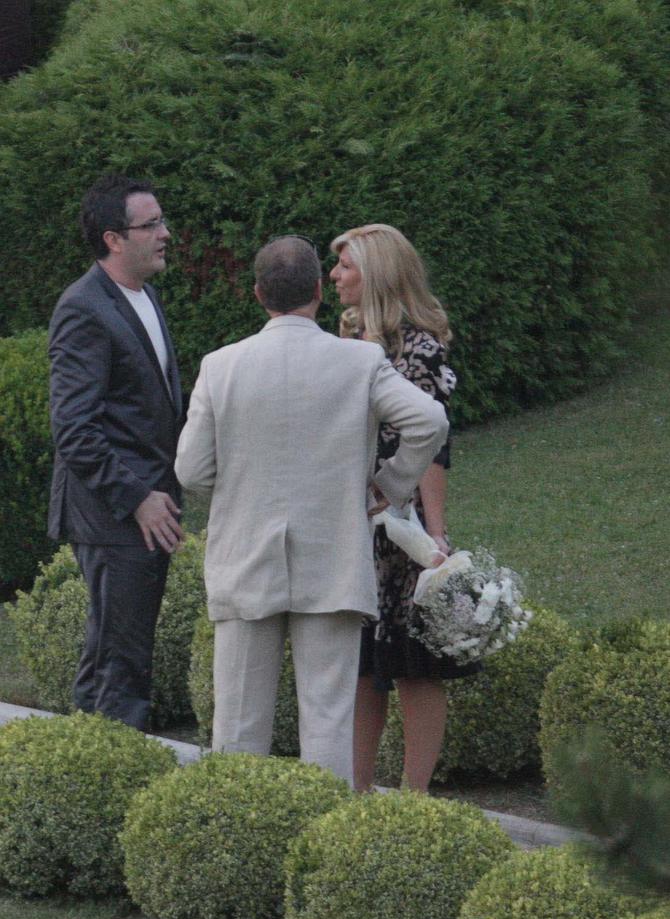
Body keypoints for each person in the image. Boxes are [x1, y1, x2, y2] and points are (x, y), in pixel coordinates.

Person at [175, 235, 448, 785]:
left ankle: (242, 827)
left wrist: (240, 492)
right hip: (332, 559)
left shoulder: (221, 365)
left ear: (258, 294)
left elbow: (190, 470)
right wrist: (390, 485)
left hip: (244, 557)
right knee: (328, 721)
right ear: (319, 291)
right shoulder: (359, 361)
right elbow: (430, 421)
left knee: (237, 729)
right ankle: (325, 834)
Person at [330, 223, 478, 793]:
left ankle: (413, 800)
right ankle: (357, 794)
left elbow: (435, 445)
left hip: (401, 527)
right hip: (352, 525)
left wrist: (434, 539)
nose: (334, 276)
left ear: (377, 274)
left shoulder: (420, 347)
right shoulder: (345, 339)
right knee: (361, 668)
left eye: (345, 265)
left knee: (415, 667)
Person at [48, 173, 184, 731]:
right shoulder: (83, 308)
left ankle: (84, 762)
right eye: (151, 225)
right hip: (114, 515)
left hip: (144, 508)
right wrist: (138, 499)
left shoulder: (144, 295)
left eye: (161, 221)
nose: (165, 233)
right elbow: (74, 428)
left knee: (111, 657)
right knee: (121, 669)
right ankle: (116, 768)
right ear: (113, 239)